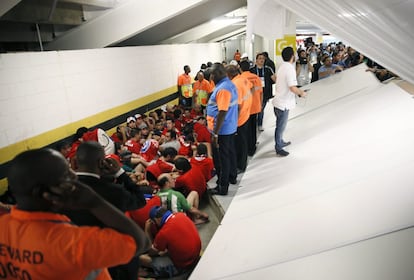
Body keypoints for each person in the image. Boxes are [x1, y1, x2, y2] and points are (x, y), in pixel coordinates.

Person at [1, 148, 149, 280]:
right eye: (66, 174)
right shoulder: (70, 242)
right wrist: (95, 202)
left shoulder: (4, 225)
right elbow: (140, 242)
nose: (74, 176)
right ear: (44, 194)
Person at [68, 141, 147, 280]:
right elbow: (139, 200)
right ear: (101, 163)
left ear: (74, 162)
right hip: (114, 259)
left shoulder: (65, 192)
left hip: (80, 261)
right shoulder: (114, 192)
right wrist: (120, 173)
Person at [139, 206, 201, 278]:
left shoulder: (163, 233)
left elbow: (151, 252)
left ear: (156, 219)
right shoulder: (180, 215)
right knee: (163, 251)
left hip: (184, 265)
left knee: (141, 258)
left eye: (154, 222)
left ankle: (152, 273)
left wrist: (147, 230)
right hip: (196, 255)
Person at [206, 63, 238, 195]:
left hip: (222, 130)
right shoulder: (229, 84)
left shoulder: (223, 89)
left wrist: (215, 133)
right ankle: (232, 177)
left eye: (212, 74)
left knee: (221, 160)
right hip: (229, 127)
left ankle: (222, 187)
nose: (211, 77)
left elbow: (222, 111)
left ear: (217, 74)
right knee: (229, 154)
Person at [272, 47, 307, 157]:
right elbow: (292, 87)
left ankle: (280, 141)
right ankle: (278, 147)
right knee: (280, 126)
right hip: (283, 104)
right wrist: (301, 93)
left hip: (279, 101)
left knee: (280, 125)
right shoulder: (290, 69)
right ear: (292, 56)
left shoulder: (282, 67)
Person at [226, 64, 252, 173]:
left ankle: (240, 165)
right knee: (243, 141)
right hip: (246, 113)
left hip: (240, 118)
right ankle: (242, 163)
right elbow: (250, 90)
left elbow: (237, 105)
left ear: (229, 75)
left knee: (240, 143)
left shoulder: (234, 84)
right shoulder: (243, 79)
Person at [240, 60, 263, 156]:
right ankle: (252, 147)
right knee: (253, 128)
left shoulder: (240, 79)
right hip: (255, 106)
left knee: (245, 130)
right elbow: (261, 92)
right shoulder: (256, 78)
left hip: (245, 108)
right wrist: (260, 105)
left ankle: (247, 149)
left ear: (240, 69)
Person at [250, 52, 276, 131]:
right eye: (260, 59)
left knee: (261, 108)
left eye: (263, 59)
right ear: (256, 60)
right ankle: (255, 124)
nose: (262, 60)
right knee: (256, 110)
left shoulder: (268, 69)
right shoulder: (252, 70)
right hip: (254, 93)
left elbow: (274, 79)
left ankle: (259, 124)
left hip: (265, 93)